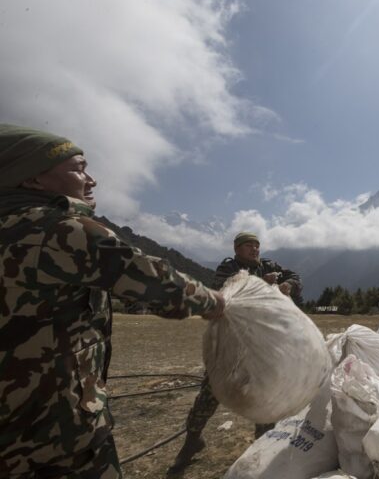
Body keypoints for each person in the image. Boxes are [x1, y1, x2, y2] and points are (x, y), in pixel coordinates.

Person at [0, 124, 226, 478]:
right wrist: (218, 303)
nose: (90, 179)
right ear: (32, 180)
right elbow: (160, 285)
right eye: (78, 168)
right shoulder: (59, 230)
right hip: (55, 436)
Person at [170, 232, 301, 472]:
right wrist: (265, 282)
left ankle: (262, 449)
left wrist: (286, 284)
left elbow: (295, 277)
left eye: (257, 245)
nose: (254, 249)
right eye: (249, 245)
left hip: (261, 343)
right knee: (210, 393)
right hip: (231, 342)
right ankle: (192, 441)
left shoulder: (269, 265)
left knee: (264, 394)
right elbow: (229, 287)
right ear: (237, 249)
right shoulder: (228, 266)